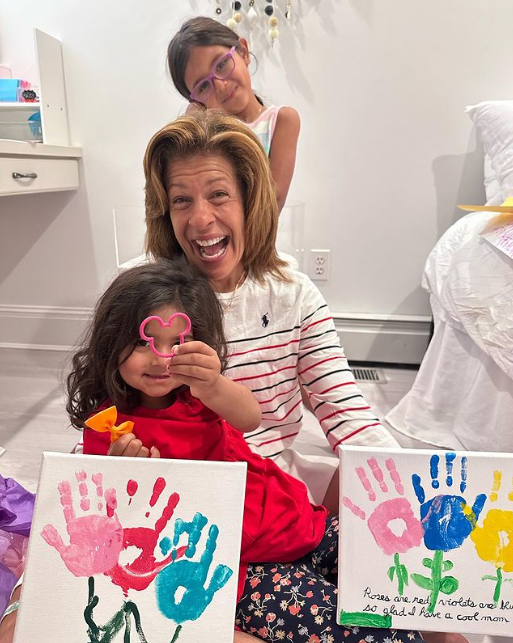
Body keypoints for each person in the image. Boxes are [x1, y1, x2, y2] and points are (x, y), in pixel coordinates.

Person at [72, 258, 439, 643]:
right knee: (382, 635)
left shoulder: (200, 394)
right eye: (144, 342)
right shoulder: (109, 425)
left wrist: (212, 384)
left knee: (407, 572)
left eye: (177, 343)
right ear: (112, 342)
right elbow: (109, 526)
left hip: (297, 524)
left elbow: (250, 416)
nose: (163, 358)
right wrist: (121, 472)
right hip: (241, 568)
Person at [143, 109, 400, 516]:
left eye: (219, 194)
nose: (200, 218)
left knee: (370, 478)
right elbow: (104, 415)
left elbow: (347, 413)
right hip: (173, 497)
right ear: (164, 211)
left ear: (250, 199)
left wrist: (405, 482)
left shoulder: (294, 295)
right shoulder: (143, 296)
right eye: (181, 200)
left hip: (271, 493)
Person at [167, 16, 300, 212]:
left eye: (221, 65)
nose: (220, 85)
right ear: (195, 101)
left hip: (256, 242)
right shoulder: (205, 132)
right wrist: (195, 119)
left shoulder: (281, 121)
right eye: (203, 86)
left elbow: (272, 203)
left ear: (243, 51)